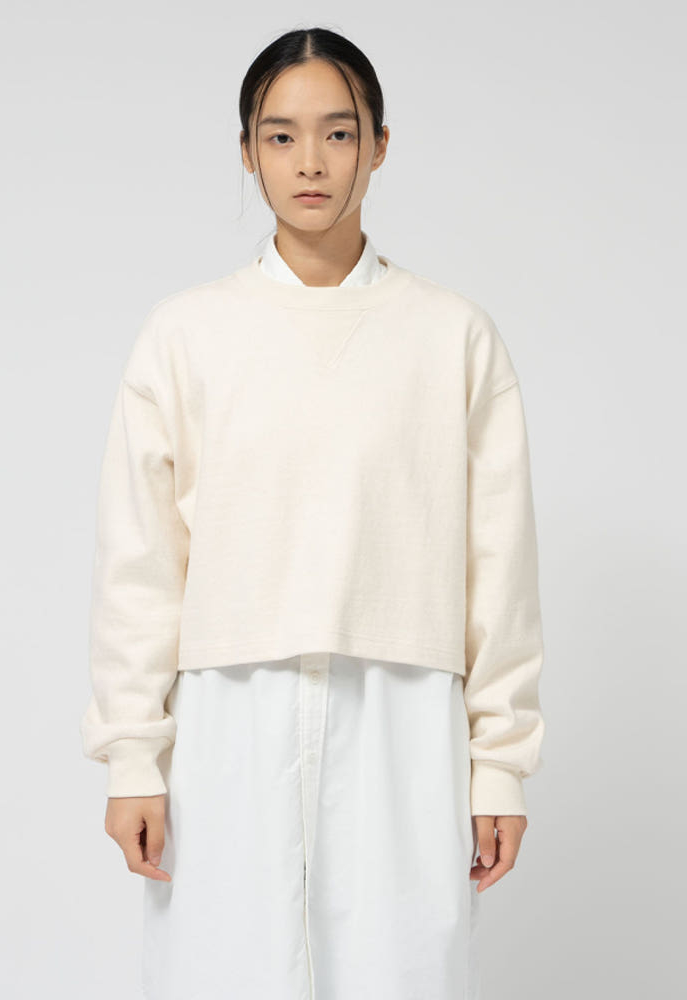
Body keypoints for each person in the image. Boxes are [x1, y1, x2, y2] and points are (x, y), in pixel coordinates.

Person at [80, 25, 546, 1000]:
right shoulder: (186, 334)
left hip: (403, 711)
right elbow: (142, 561)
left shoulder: (451, 336)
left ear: (379, 144)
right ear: (247, 150)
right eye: (280, 136)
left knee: (402, 973)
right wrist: (134, 755)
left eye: (337, 133)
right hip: (227, 713)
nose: (310, 163)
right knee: (219, 974)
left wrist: (497, 764)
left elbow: (498, 563)